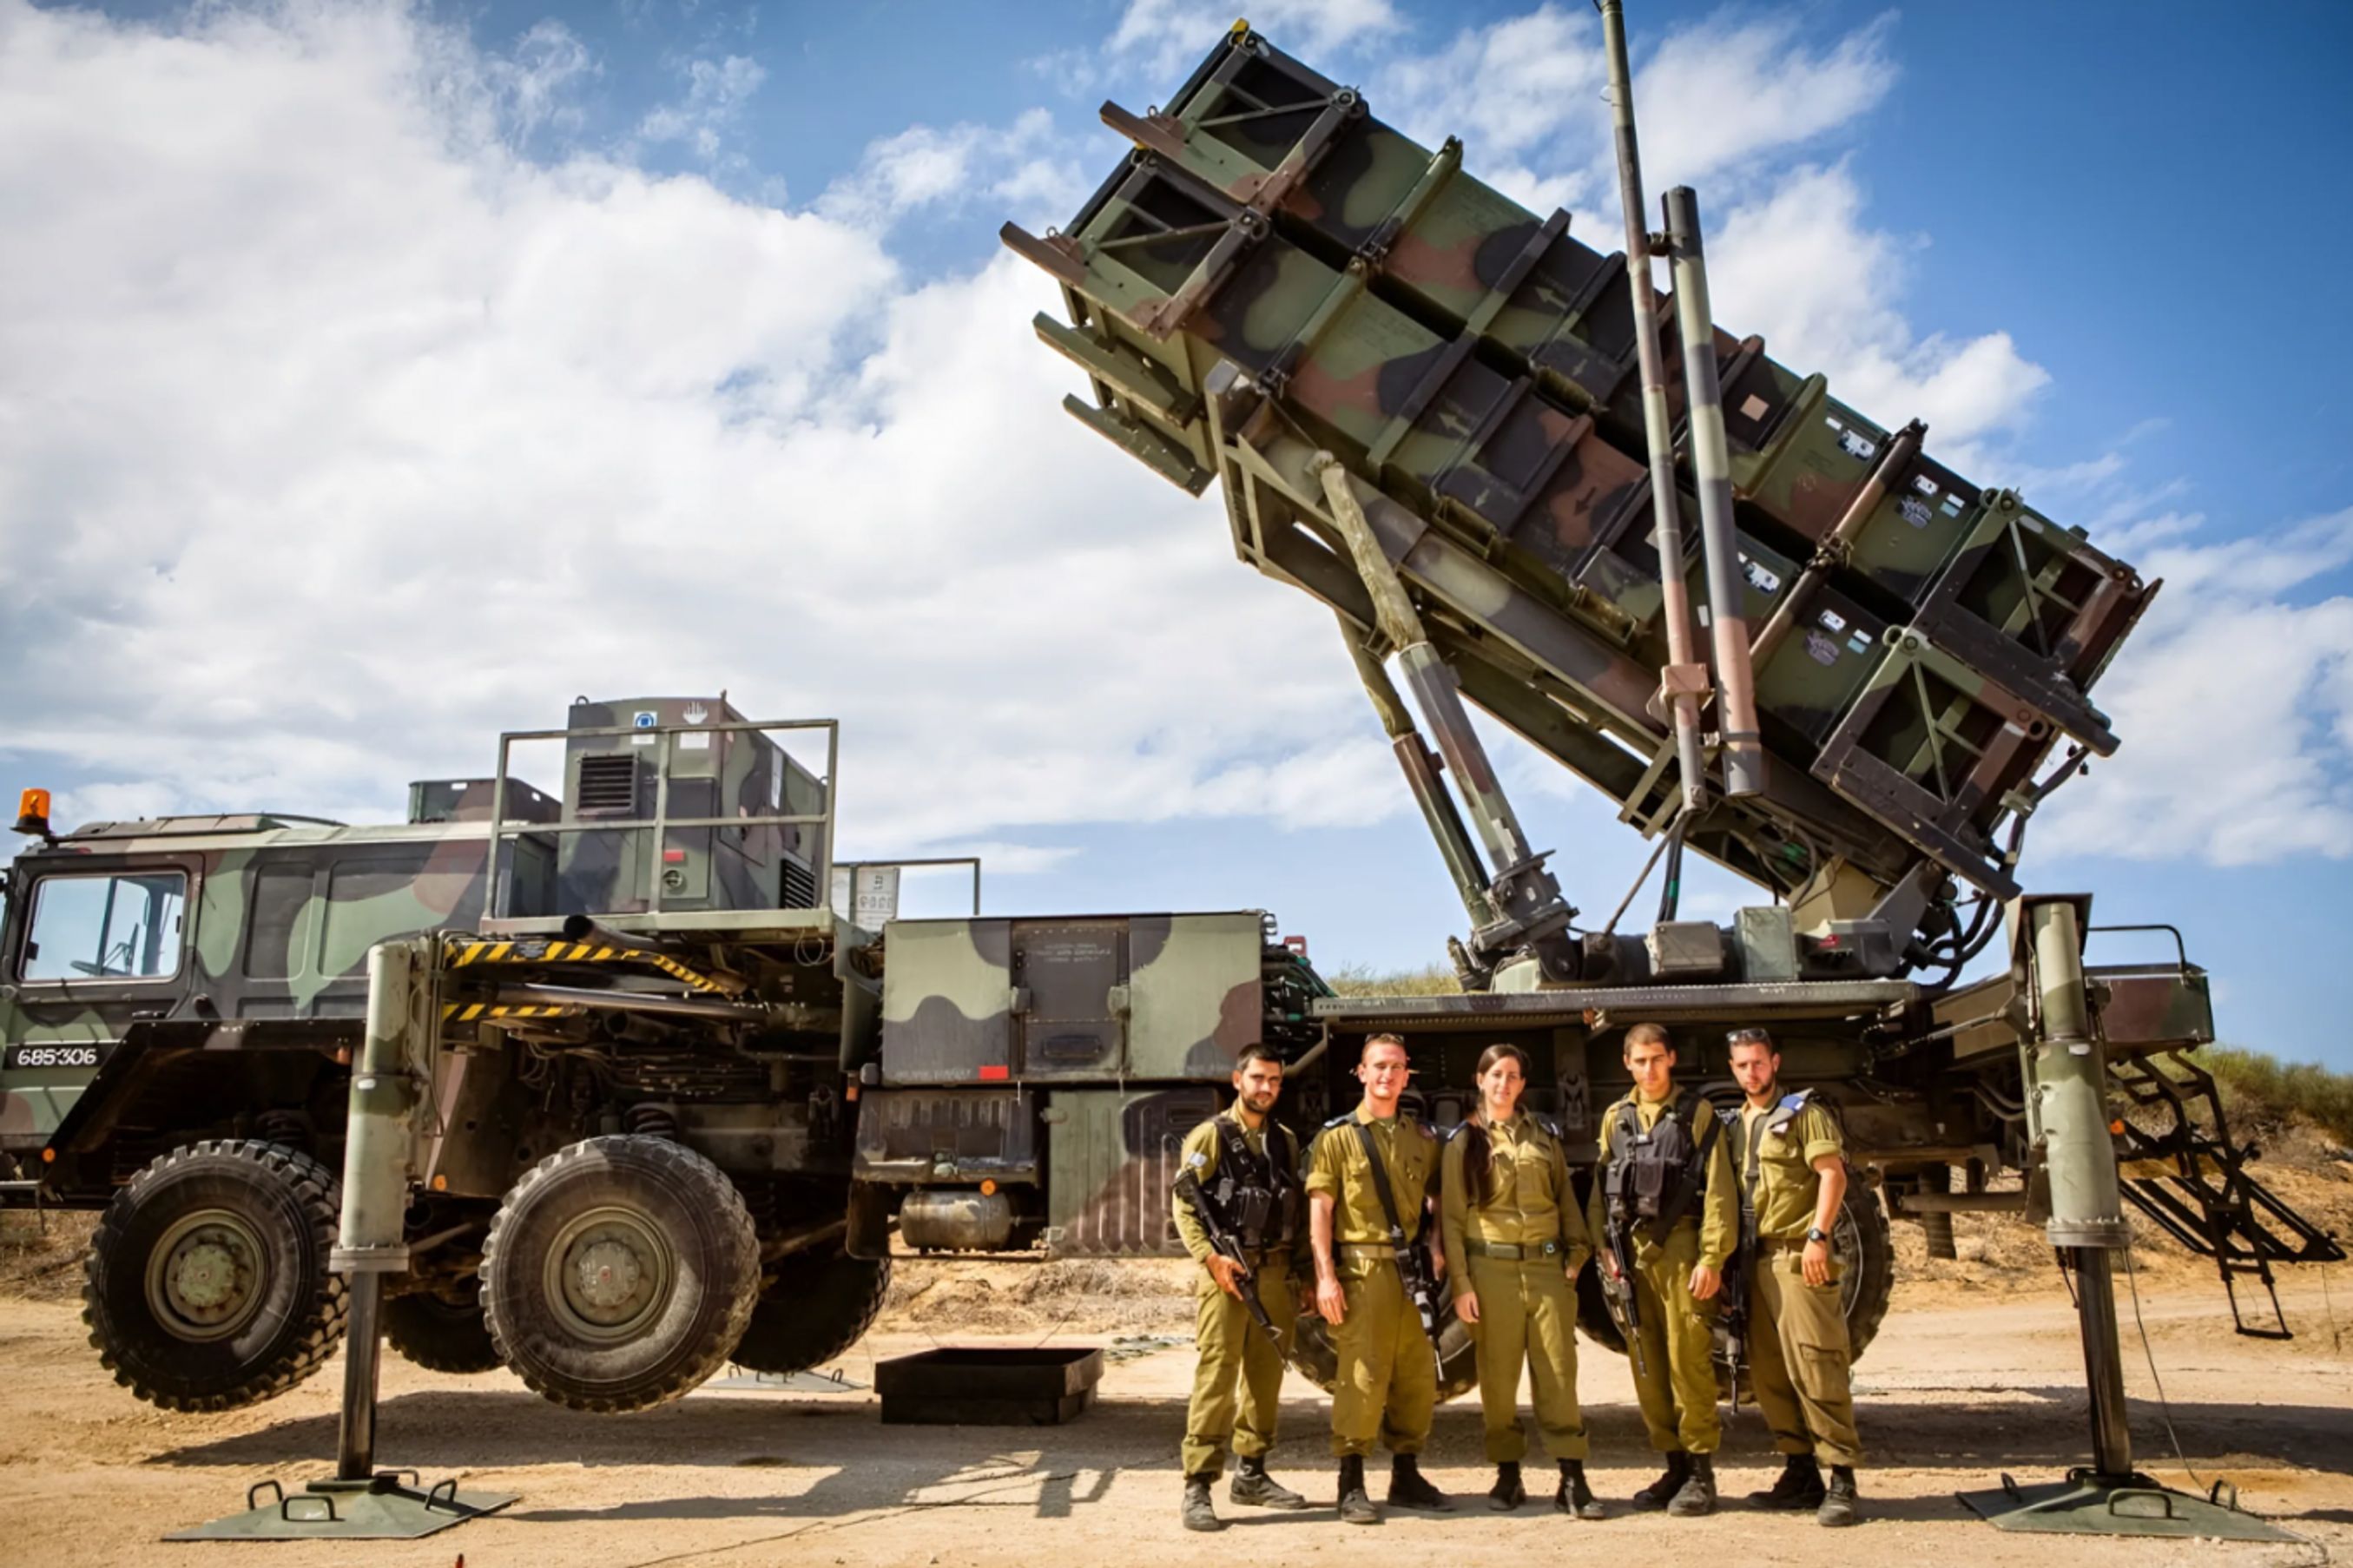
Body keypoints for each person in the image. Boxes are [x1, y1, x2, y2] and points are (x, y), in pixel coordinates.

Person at [1440, 1043, 1605, 1519]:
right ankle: (1508, 1473)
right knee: (1498, 1375)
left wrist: (1576, 1256)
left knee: (1558, 1372)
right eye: (1496, 1075)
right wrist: (1463, 1285)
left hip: (1547, 1268)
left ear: (1522, 1085)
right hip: (1491, 1270)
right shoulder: (1464, 1142)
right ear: (1480, 1080)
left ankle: (1572, 1478)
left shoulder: (1543, 1137)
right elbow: (1452, 1219)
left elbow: (1565, 1201)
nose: (1504, 1084)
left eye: (1512, 1076)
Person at [1586, 1021, 1737, 1516]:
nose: (1649, 1069)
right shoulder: (1617, 1118)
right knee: (1645, 1362)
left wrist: (1713, 1257)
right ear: (1626, 1064)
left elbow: (1719, 1192)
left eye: (1657, 1059)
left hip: (1682, 1253)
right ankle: (1673, 1463)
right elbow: (1598, 1189)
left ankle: (1700, 1471)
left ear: (1671, 1058)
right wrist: (1602, 1249)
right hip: (1631, 1259)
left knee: (1688, 1360)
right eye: (1639, 1061)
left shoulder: (1696, 1114)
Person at [1307, 1032, 1451, 1525]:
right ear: (1361, 1074)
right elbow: (1320, 1211)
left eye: (1395, 1067)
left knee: (1415, 1374)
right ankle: (1351, 1482)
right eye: (1378, 1067)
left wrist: (1435, 1249)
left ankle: (1406, 1474)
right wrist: (1326, 1276)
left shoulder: (1422, 1139)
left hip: (1411, 1273)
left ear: (1407, 1074)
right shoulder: (1338, 1138)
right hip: (1363, 1270)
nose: (1387, 1075)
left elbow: (1438, 1200)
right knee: (1362, 1376)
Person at [1170, 1044, 1314, 1532]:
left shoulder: (1285, 1142)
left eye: (1274, 1080)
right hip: (1226, 1276)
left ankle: (1251, 1472)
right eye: (1257, 1079)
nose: (1266, 1088)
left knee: (1266, 1374)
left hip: (1275, 1274)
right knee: (1218, 1373)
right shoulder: (1211, 1136)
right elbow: (1184, 1204)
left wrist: (1305, 1276)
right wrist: (1210, 1258)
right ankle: (1198, 1484)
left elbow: (1292, 1208)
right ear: (1238, 1080)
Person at [1726, 1025, 1863, 1527]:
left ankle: (1842, 1476)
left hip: (1797, 1256)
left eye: (1759, 1062)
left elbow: (1833, 1174)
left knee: (1816, 1365)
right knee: (1768, 1372)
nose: (1752, 1072)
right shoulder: (1740, 1123)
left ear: (1775, 1062)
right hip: (1754, 1261)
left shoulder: (1805, 1113)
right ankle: (1800, 1471)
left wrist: (1818, 1236)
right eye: (1742, 1065)